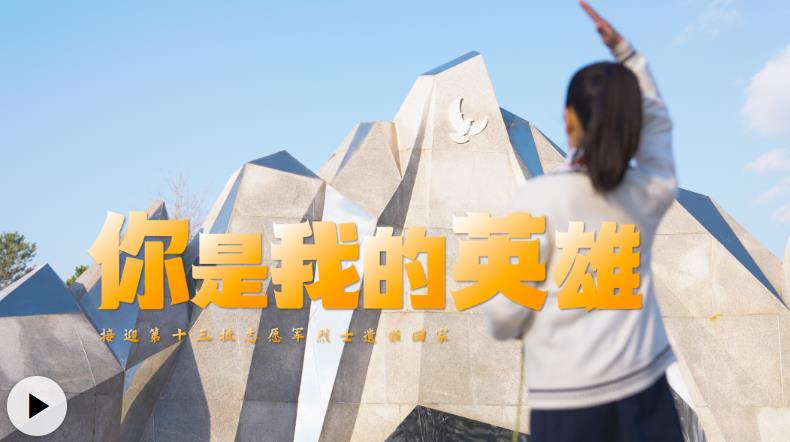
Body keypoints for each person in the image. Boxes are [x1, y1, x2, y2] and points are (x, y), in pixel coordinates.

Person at [483, 2, 684, 441]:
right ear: (632, 123)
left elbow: (503, 310)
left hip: (566, 403)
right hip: (646, 395)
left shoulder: (537, 199)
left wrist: (514, 326)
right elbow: (659, 127)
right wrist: (629, 57)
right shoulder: (645, 192)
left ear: (568, 117)